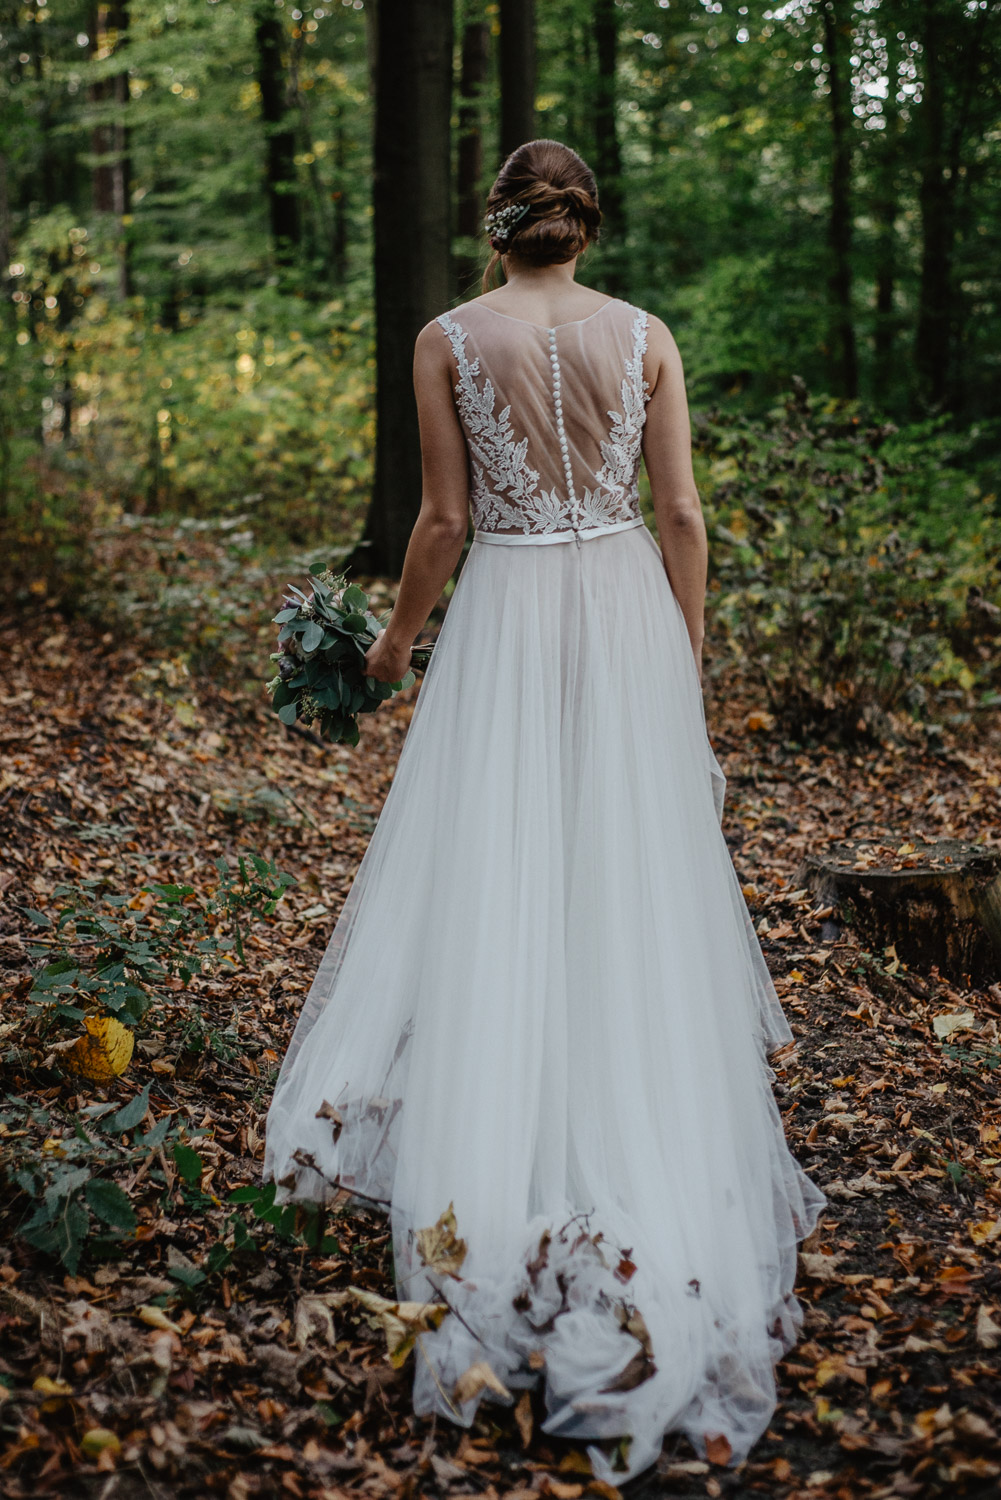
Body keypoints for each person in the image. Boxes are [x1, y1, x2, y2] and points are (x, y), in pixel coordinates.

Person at [262, 138, 825, 1484]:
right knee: (622, 875)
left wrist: (394, 646)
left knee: (499, 870)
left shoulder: (446, 335)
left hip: (510, 614)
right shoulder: (647, 335)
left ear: (496, 227)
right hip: (623, 606)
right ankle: (629, 1153)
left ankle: (505, 1165)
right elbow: (679, 511)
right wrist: (679, 668)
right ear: (582, 229)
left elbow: (445, 520)